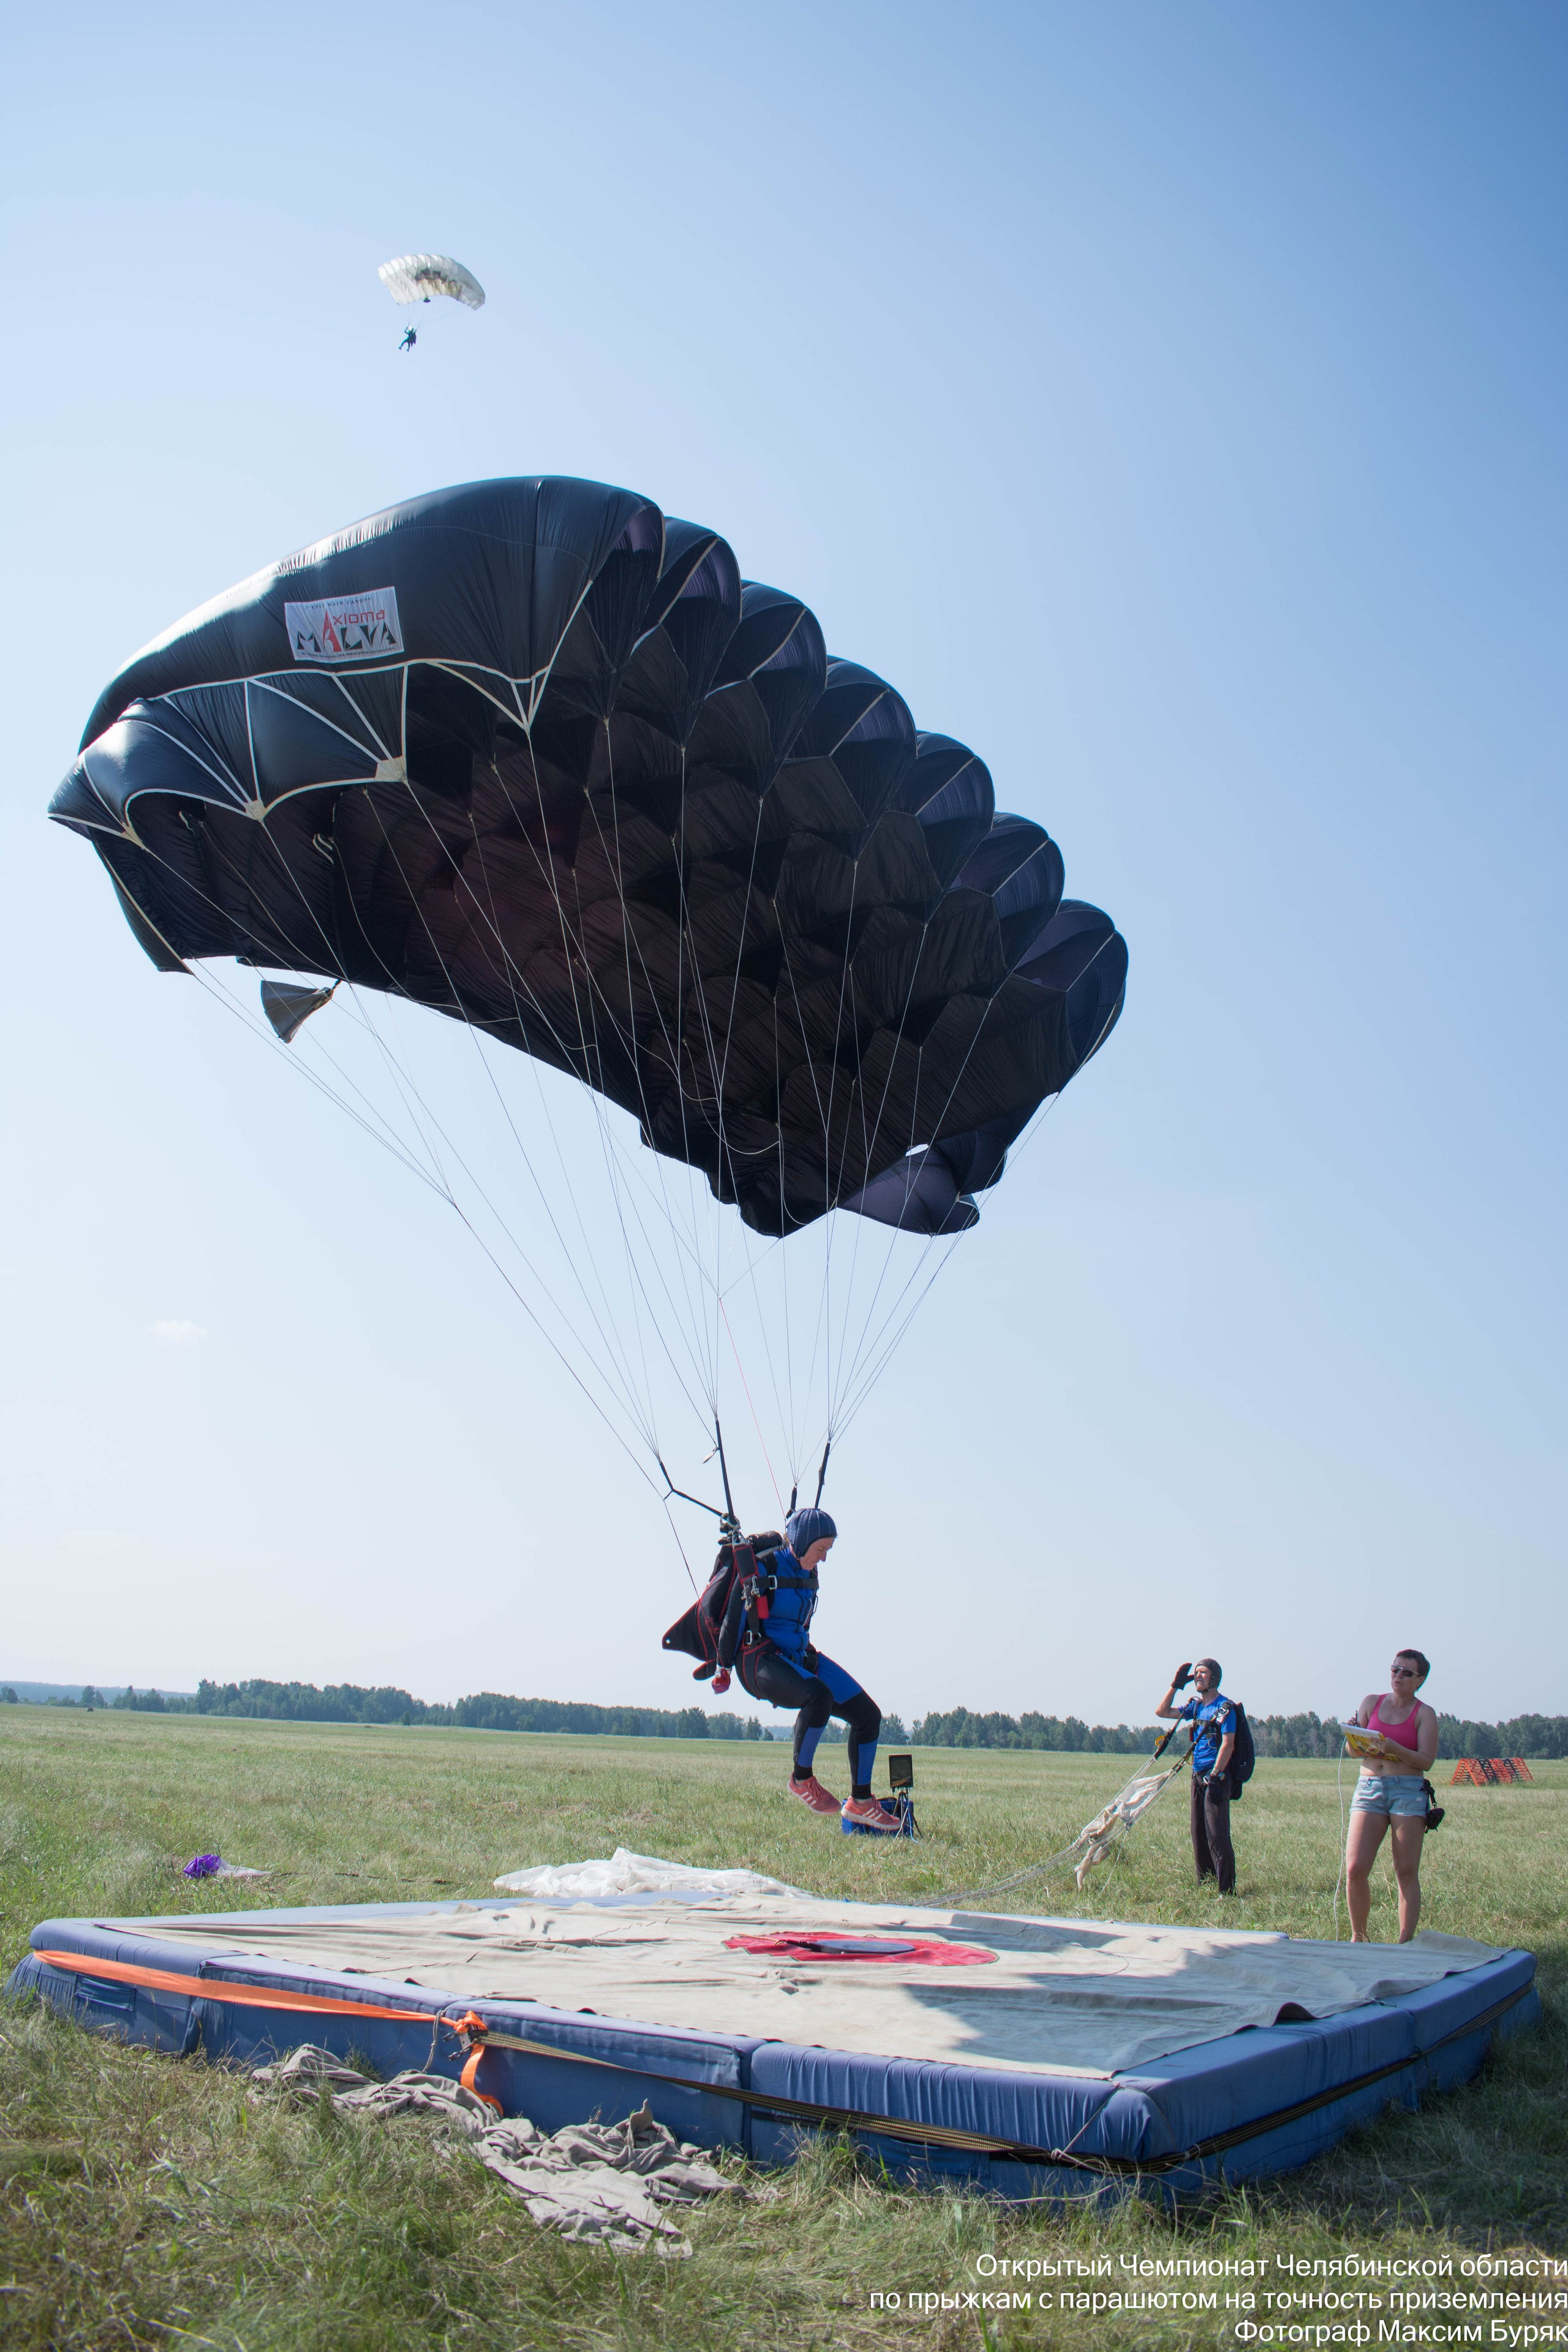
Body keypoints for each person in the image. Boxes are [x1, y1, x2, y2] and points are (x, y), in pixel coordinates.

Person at [711, 1507, 897, 1833]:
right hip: (760, 1660)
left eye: (828, 1551)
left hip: (799, 1656)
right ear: (802, 1542)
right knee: (818, 1696)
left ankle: (861, 1802)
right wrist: (722, 1666)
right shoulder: (765, 1568)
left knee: (868, 1716)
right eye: (820, 1550)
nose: (823, 1559)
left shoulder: (809, 1575)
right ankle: (801, 1779)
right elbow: (733, 1619)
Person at [1345, 1648, 1439, 1943]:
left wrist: (1395, 1749)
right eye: (1395, 1670)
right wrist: (1355, 1735)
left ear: (1419, 1679)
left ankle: (1404, 1942)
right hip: (1369, 1787)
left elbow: (1426, 1760)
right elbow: (1353, 1752)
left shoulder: (1425, 1714)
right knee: (1355, 1867)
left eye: (1407, 1673)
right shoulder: (1371, 1702)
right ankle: (1358, 1938)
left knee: (1406, 1870)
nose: (1398, 1676)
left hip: (1408, 1792)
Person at [1155, 1657, 1239, 1894]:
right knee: (1198, 1833)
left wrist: (1215, 1776)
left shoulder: (1225, 1708)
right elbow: (1162, 1712)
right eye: (1196, 1673)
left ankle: (1226, 1890)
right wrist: (1176, 1685)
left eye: (1203, 1673)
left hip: (1216, 1777)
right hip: (1196, 1774)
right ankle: (1206, 1883)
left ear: (1214, 1678)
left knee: (1217, 1834)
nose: (1198, 1677)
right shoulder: (1196, 1707)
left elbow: (1228, 1744)